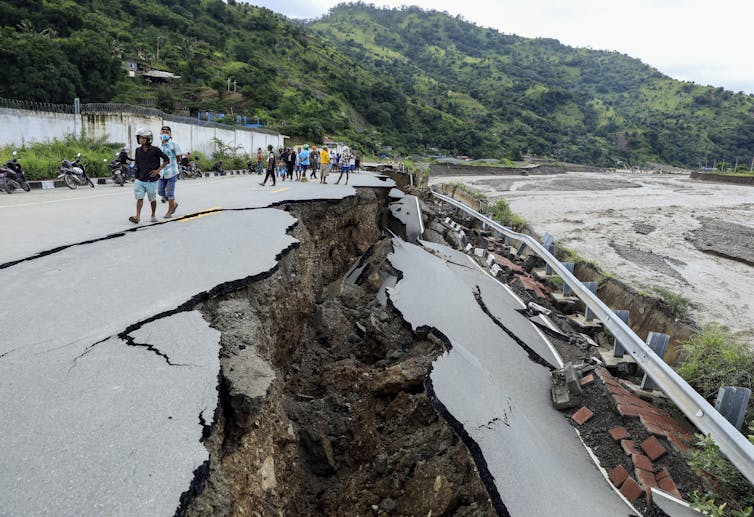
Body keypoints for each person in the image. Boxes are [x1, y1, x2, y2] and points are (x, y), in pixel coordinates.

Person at [130, 127, 169, 224]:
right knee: (139, 198)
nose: (141, 140)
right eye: (139, 138)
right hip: (140, 179)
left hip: (151, 180)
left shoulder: (155, 150)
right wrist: (134, 175)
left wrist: (158, 170)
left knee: (152, 199)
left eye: (143, 138)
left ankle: (153, 215)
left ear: (148, 139)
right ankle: (137, 216)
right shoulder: (137, 150)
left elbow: (166, 159)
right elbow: (137, 164)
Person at [158, 126, 182, 218]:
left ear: (170, 134)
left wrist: (173, 164)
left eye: (167, 132)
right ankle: (174, 204)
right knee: (160, 192)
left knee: (170, 193)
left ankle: (169, 211)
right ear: (160, 133)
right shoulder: (159, 145)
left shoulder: (174, 144)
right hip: (162, 172)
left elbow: (179, 157)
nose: (165, 134)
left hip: (172, 172)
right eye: (163, 132)